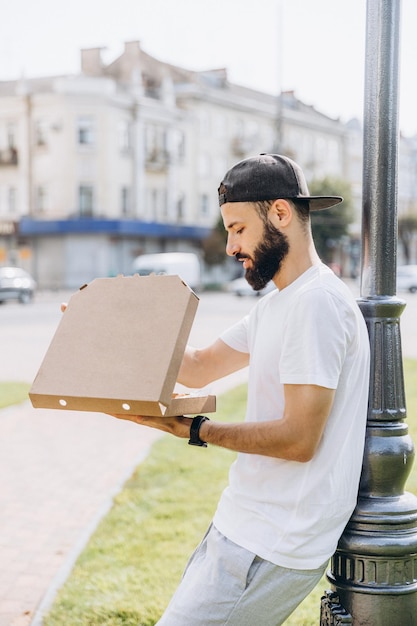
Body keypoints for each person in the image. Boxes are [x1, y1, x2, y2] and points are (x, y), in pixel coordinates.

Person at [118, 154, 370, 625]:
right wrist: (118, 323)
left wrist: (196, 430)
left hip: (275, 539)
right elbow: (197, 367)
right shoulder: (279, 305)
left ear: (279, 213)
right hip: (241, 522)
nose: (232, 246)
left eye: (237, 229)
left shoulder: (316, 304)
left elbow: (299, 439)